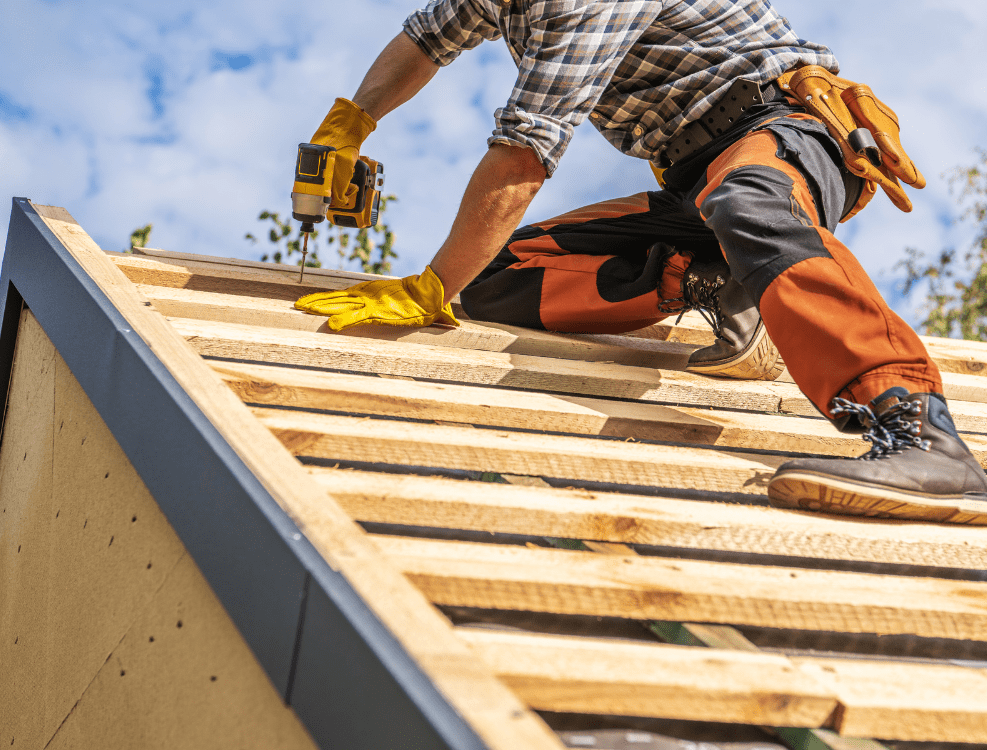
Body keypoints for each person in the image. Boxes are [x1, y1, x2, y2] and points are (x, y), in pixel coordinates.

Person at [294, 0, 987, 523]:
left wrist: (428, 287)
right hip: (699, 182)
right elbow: (426, 38)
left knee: (749, 204)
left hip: (784, 132)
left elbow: (525, 153)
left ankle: (917, 426)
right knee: (497, 276)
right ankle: (715, 279)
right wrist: (353, 119)